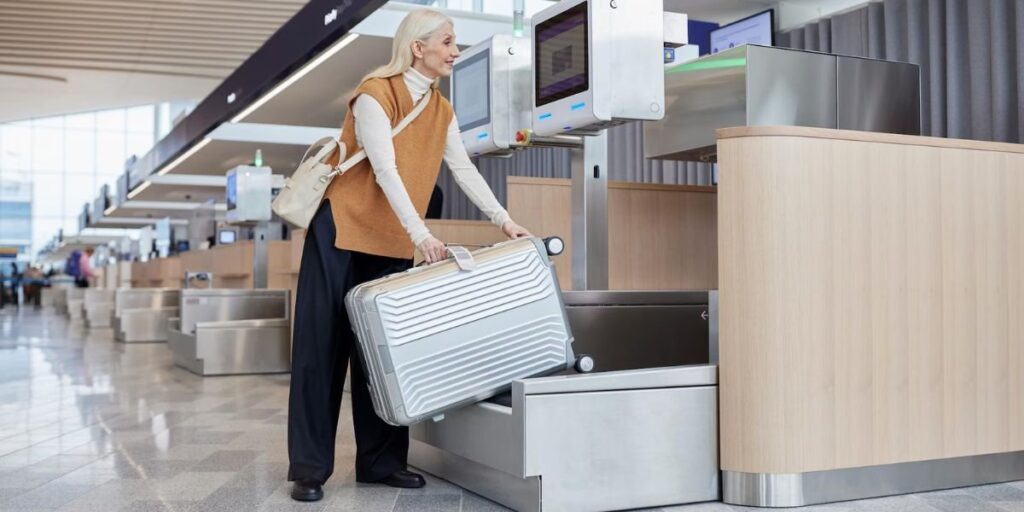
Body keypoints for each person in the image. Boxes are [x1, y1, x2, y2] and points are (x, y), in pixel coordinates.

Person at [287, 8, 531, 503]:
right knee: (322, 349)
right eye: (447, 42)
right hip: (341, 231)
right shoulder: (375, 94)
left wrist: (504, 221)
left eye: (455, 42)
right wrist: (422, 236)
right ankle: (309, 468)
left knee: (384, 356)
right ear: (418, 47)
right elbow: (385, 170)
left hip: (392, 240)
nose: (455, 51)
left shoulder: (442, 109)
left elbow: (463, 170)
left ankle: (380, 463)